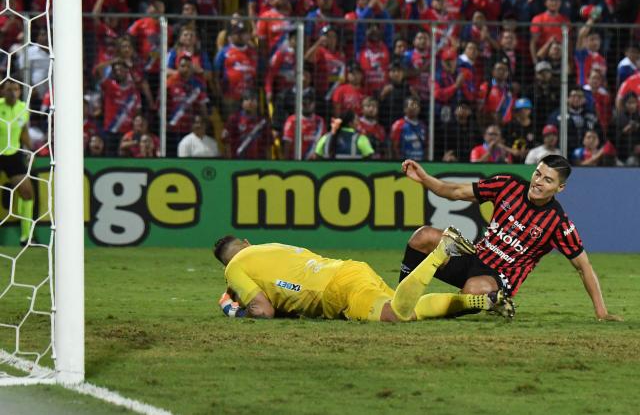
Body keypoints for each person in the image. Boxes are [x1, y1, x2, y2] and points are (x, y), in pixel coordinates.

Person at [398, 155, 622, 321]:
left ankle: (488, 300)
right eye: (537, 174)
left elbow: (584, 267)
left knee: (473, 291)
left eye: (548, 180)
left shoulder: (558, 223)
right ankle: (398, 298)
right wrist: (424, 178)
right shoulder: (507, 185)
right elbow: (456, 191)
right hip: (474, 256)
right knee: (423, 236)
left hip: (498, 278)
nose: (538, 182)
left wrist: (601, 312)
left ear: (560, 187)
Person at [214, 228, 512, 321]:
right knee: (406, 308)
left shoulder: (234, 269)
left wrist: (234, 310)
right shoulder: (268, 247)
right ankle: (484, 301)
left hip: (336, 290)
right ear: (246, 243)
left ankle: (439, 252)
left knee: (395, 316)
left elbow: (263, 311)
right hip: (348, 270)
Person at [0, 81, 35, 246]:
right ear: (2, 91)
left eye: (16, 89)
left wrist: (31, 149)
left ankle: (26, 237)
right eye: (9, 90)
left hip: (13, 155)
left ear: (20, 91)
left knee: (27, 193)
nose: (12, 92)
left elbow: (24, 132)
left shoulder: (23, 108)